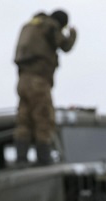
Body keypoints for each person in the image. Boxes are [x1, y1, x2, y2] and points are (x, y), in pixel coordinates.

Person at [13, 9, 77, 166]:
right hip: (39, 81)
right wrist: (73, 34)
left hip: (22, 80)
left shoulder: (30, 25)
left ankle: (21, 159)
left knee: (24, 121)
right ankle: (44, 160)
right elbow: (65, 46)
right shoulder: (50, 26)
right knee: (44, 119)